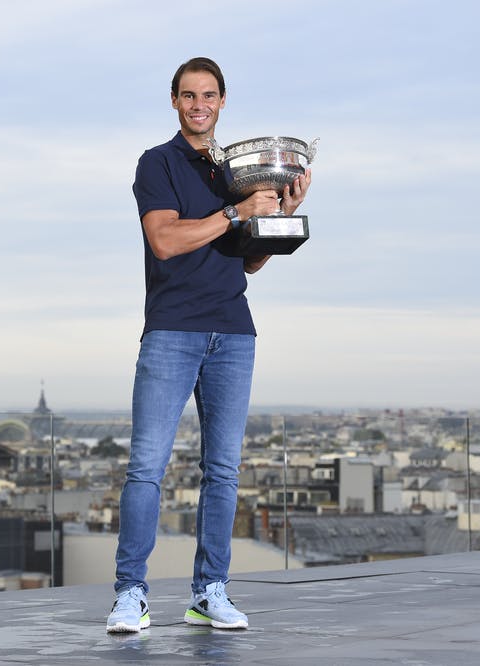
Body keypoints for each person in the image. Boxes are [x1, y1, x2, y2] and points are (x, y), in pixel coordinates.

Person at [106, 57, 312, 634]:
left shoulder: (236, 171)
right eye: (189, 95)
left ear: (223, 102)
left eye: (210, 95)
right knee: (146, 468)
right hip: (172, 328)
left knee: (223, 471)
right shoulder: (158, 163)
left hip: (234, 329)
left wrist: (281, 212)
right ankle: (130, 594)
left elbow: (248, 261)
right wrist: (235, 211)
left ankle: (210, 592)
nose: (200, 104)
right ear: (175, 102)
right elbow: (165, 239)